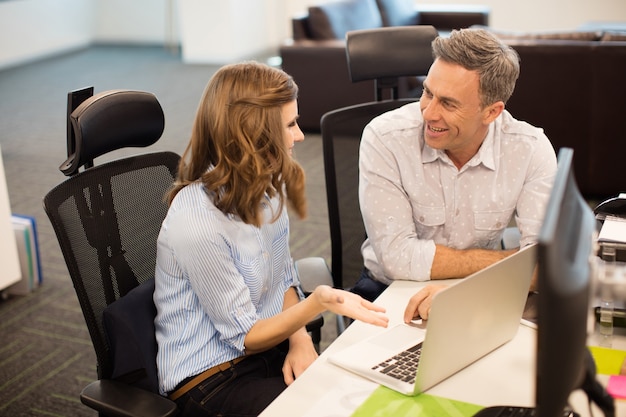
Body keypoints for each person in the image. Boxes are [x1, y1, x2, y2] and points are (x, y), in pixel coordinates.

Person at [153, 61, 388, 417]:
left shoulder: (267, 187)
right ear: (253, 135)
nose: (299, 136)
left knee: (359, 396)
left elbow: (281, 280)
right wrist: (318, 302)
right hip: (211, 378)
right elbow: (245, 337)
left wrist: (300, 339)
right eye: (290, 124)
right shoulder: (198, 223)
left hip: (267, 348)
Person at [354, 28, 558, 312]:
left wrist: (462, 285)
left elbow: (547, 264)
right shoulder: (385, 138)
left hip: (480, 288)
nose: (428, 112)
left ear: (491, 112)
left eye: (448, 103)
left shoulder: (529, 149)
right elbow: (397, 259)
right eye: (427, 92)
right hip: (388, 290)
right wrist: (511, 262)